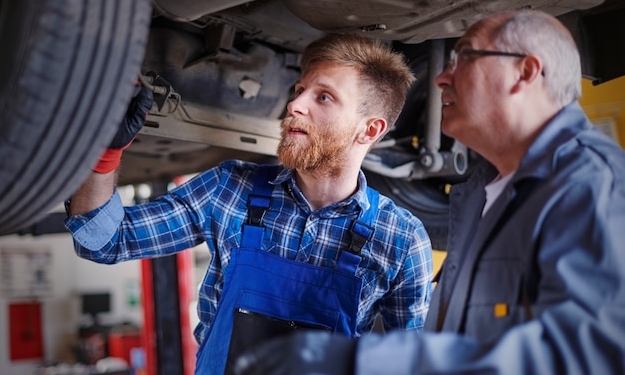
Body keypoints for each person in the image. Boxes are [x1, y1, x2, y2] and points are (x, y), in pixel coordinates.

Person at [232, 9, 625, 375]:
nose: (440, 78)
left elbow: (588, 355)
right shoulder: (483, 194)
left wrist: (363, 360)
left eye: (464, 57)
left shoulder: (589, 183)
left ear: (525, 72)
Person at [64, 33, 433, 375]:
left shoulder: (399, 238)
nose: (295, 104)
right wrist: (104, 154)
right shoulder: (231, 189)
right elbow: (104, 241)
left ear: (369, 130)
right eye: (300, 88)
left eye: (323, 97)